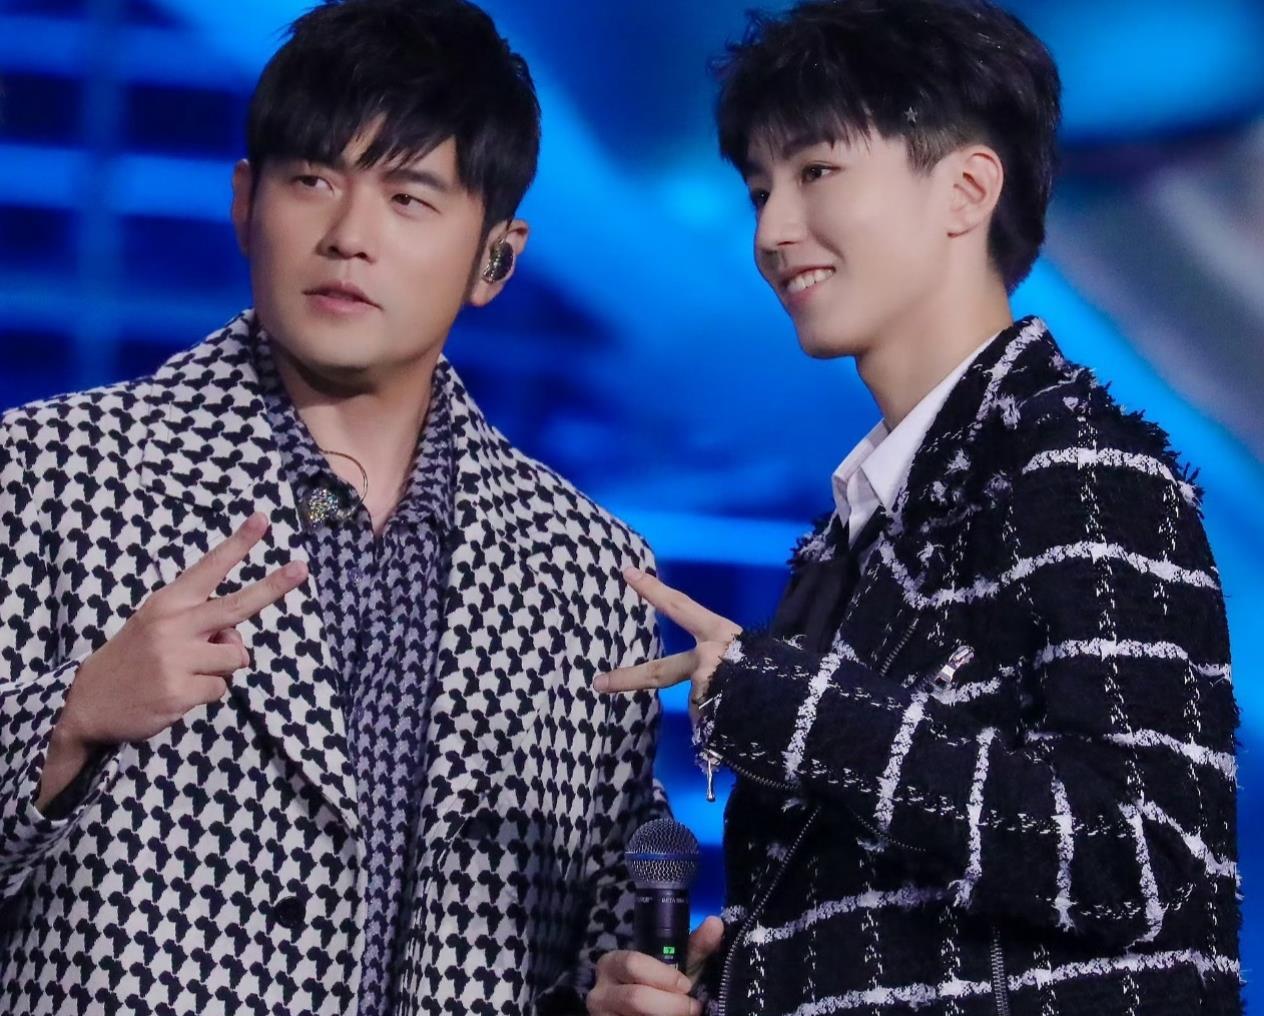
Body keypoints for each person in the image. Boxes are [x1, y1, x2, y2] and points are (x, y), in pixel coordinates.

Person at [0, 1, 666, 1013]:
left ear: (496, 258)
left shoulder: (588, 574)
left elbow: (603, 931)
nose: (349, 237)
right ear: (244, 203)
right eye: (312, 181)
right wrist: (73, 714)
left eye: (409, 198)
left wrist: (631, 989)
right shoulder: (54, 474)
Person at [589, 1, 1240, 1014]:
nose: (771, 231)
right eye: (759, 190)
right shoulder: (851, 535)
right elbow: (899, 921)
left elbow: (1140, 853)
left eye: (815, 172)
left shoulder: (1080, 467)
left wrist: (800, 708)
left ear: (967, 189)